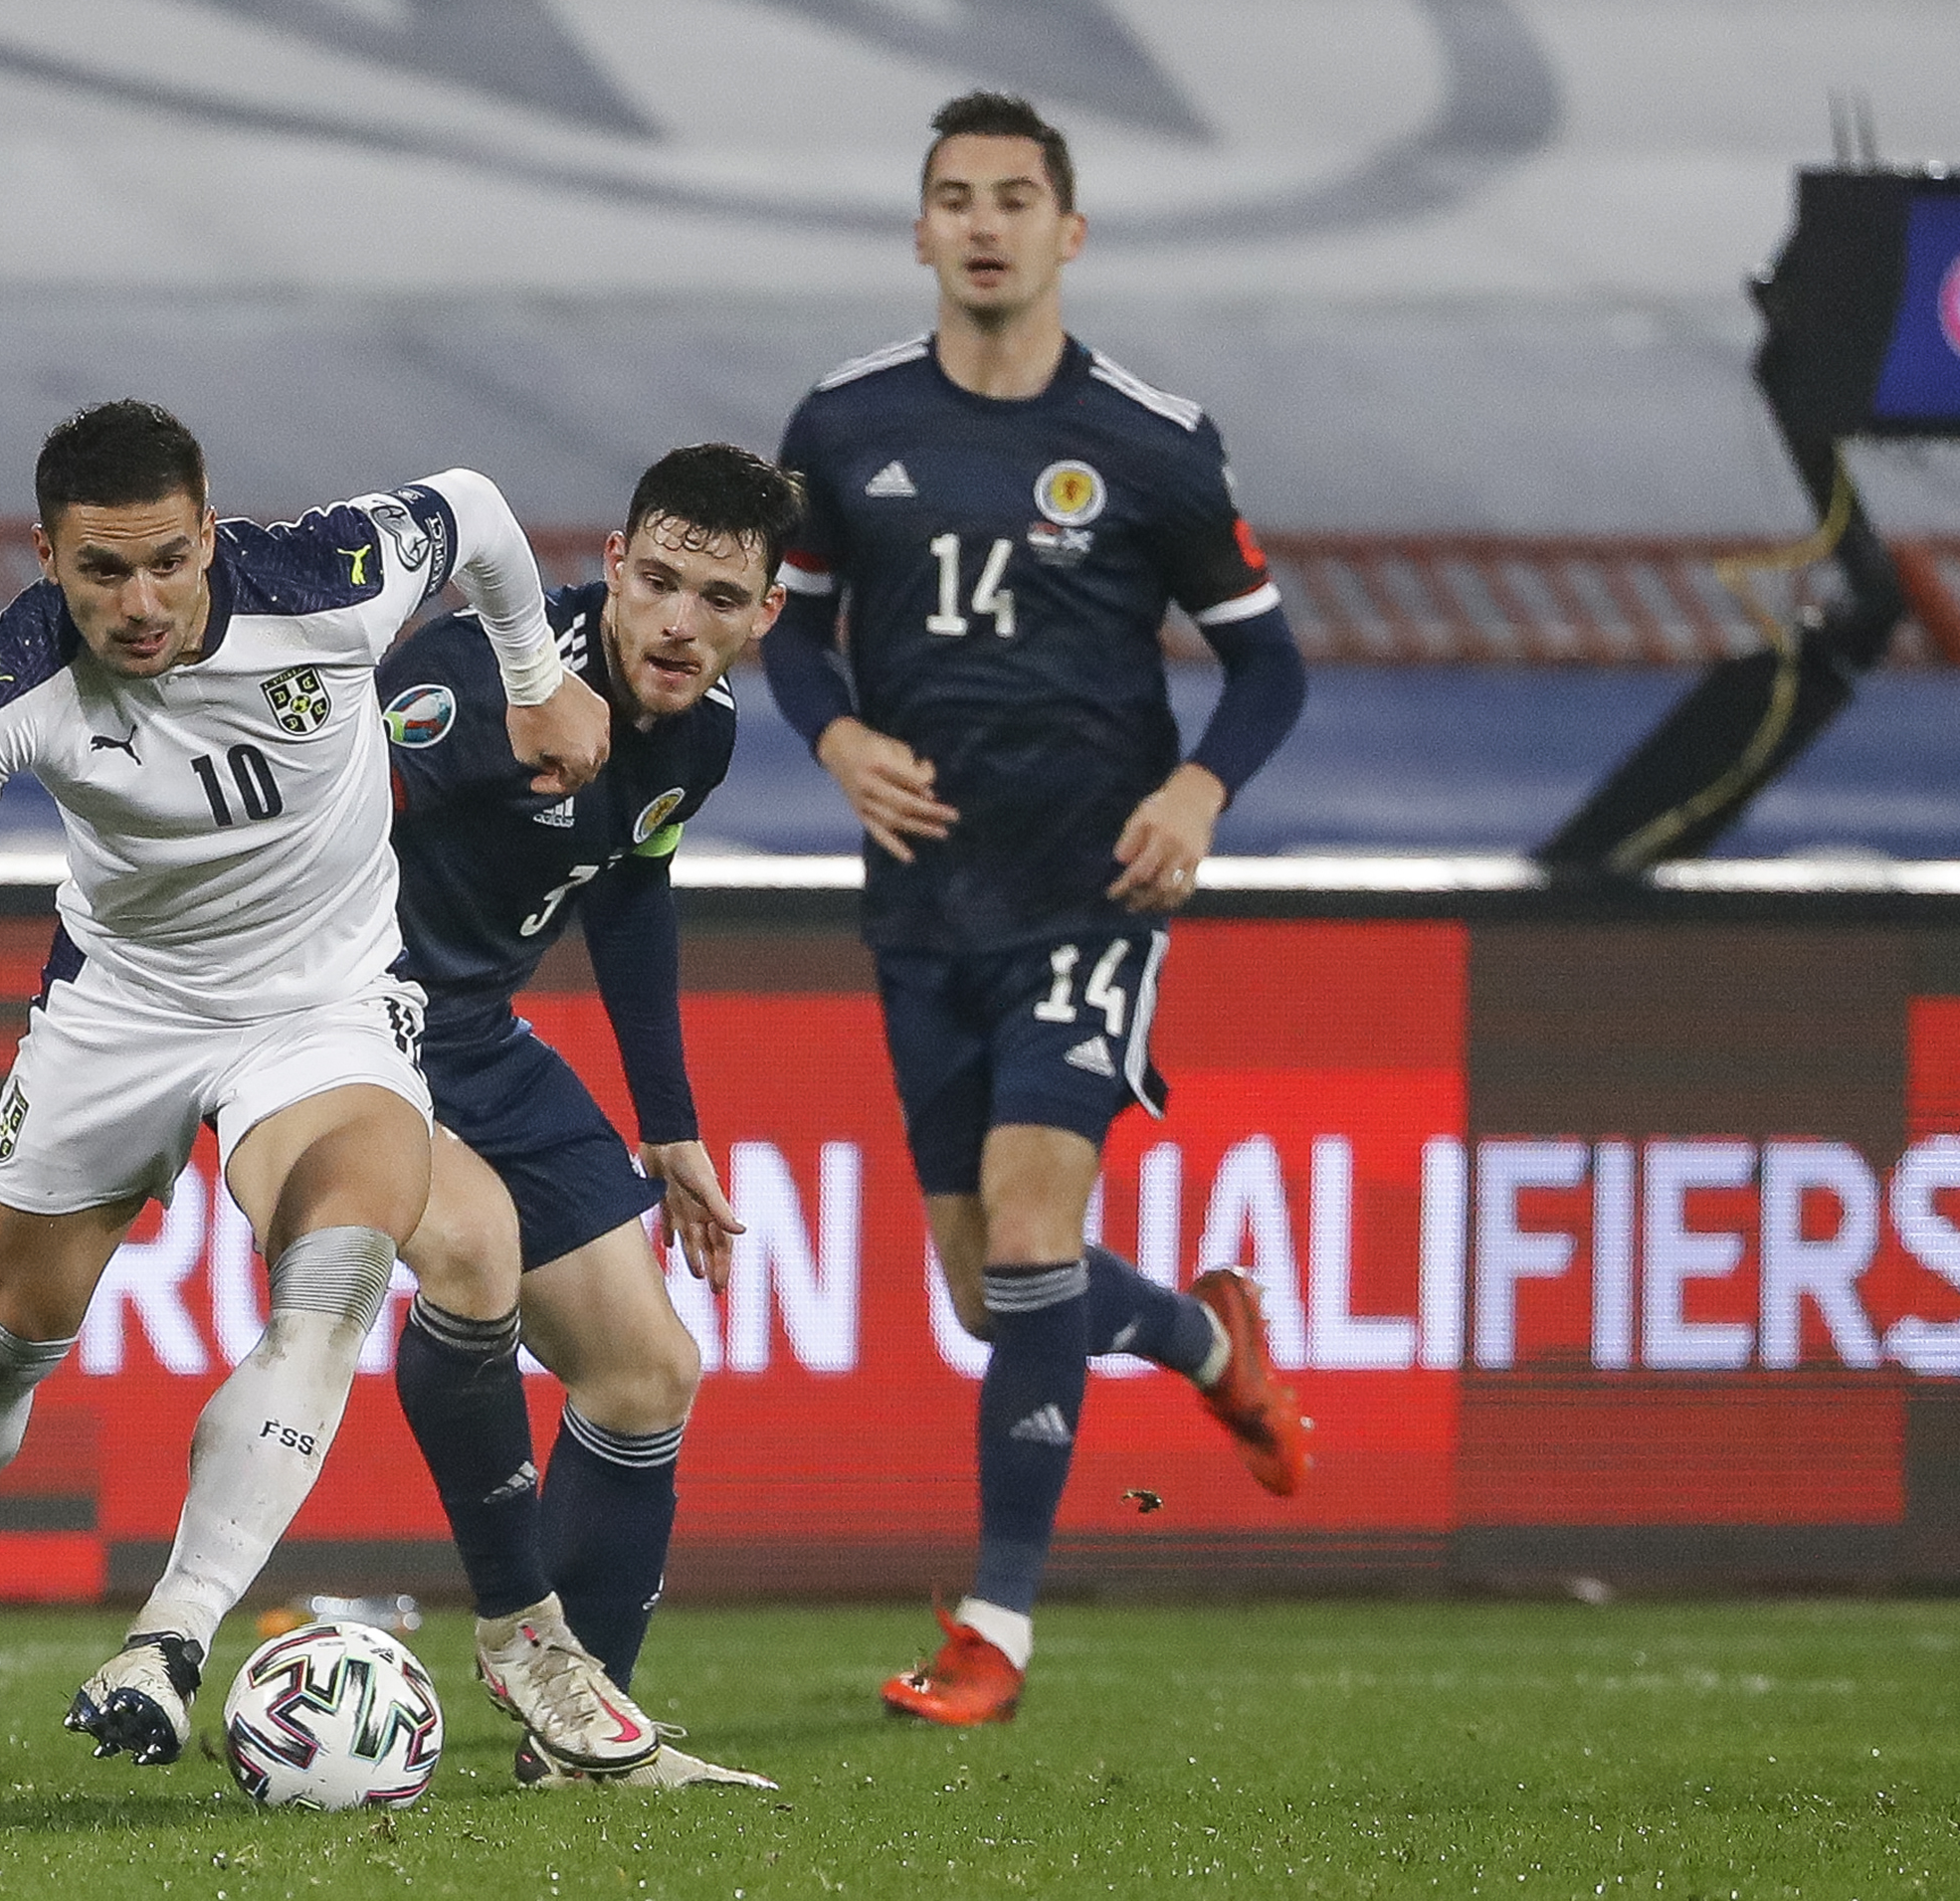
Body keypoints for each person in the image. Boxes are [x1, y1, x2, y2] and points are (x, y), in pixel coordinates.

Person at [0, 400, 607, 1796]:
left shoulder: (329, 578)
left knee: (339, 1262)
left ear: (209, 529)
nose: (139, 603)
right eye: (99, 572)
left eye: (166, 561)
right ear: (46, 557)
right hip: (119, 1010)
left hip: (321, 1006)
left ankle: (170, 1636)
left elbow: (480, 511)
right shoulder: (11, 682)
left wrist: (529, 676)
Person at [761, 93, 1315, 1727]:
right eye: (956, 197)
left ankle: (993, 1635)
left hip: (1090, 893)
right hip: (925, 904)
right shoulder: (842, 425)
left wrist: (1200, 791)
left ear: (1069, 234)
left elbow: (1269, 661)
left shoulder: (1149, 440)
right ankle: (1207, 1346)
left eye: (1016, 198)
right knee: (992, 1290)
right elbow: (791, 631)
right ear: (919, 230)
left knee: (1021, 1239)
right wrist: (837, 730)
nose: (986, 223)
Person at [380, 443, 803, 1792]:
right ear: (612, 567)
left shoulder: (706, 734)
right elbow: (378, 760)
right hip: (336, 1030)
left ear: (763, 616)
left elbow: (628, 890)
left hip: (478, 1044)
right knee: (476, 1252)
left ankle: (583, 1736)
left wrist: (666, 1120)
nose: (682, 621)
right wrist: (529, 744)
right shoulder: (485, 662)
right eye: (661, 580)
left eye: (720, 598)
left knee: (646, 1373)